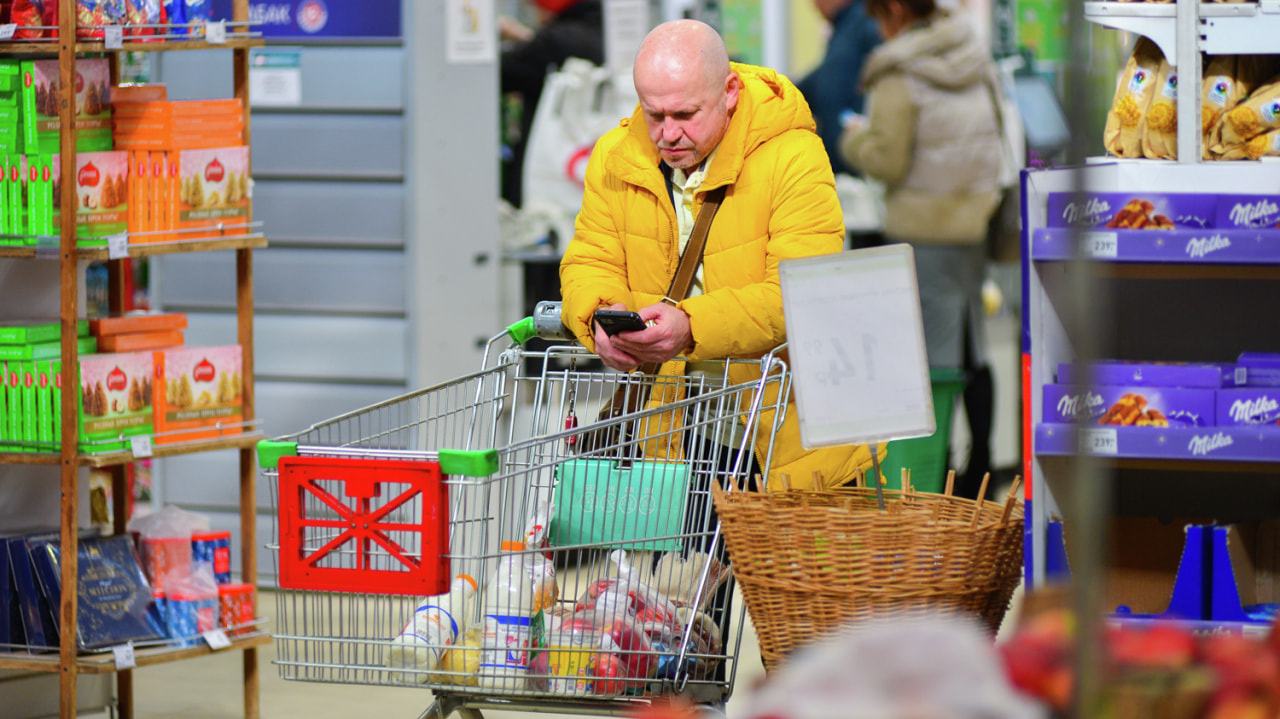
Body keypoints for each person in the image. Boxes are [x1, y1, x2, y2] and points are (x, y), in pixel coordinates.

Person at [559, 19, 881, 493]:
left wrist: (690, 327)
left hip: (785, 432)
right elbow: (590, 257)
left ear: (729, 91)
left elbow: (800, 294)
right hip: (676, 429)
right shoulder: (616, 156)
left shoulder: (795, 158)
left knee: (780, 568)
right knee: (687, 562)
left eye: (686, 114)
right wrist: (598, 319)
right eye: (654, 115)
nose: (668, 133)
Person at [838, 0, 1002, 498]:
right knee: (974, 349)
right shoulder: (972, 55)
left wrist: (853, 141)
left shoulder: (897, 72)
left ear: (892, 11)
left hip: (920, 233)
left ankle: (936, 477)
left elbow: (887, 160)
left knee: (929, 365)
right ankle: (982, 469)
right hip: (973, 224)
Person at [499, 0, 604, 209]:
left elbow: (501, 73)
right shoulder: (603, 32)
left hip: (544, 163)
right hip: (585, 161)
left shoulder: (556, 40)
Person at [796, 0, 882, 179]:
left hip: (859, 164)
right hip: (841, 163)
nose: (815, 4)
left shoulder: (867, 22)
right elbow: (822, 79)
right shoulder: (843, 28)